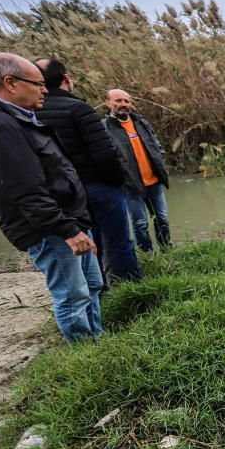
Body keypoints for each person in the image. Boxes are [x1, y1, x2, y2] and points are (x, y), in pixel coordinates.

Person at [0, 52, 103, 341]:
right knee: (73, 295)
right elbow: (24, 189)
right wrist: (67, 230)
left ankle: (98, 342)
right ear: (10, 83)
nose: (45, 89)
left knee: (92, 285)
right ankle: (86, 357)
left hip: (67, 220)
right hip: (50, 228)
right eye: (38, 83)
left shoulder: (18, 118)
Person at [35, 58, 141, 282]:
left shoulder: (29, 114)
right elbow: (105, 154)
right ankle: (134, 292)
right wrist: (117, 182)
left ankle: (99, 292)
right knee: (120, 242)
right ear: (66, 78)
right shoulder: (78, 108)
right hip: (98, 187)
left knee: (90, 245)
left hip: (62, 194)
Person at [103, 89, 171, 251]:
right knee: (140, 224)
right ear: (108, 103)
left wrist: (161, 161)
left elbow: (157, 146)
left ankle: (167, 250)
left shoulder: (141, 122)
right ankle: (148, 254)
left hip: (154, 181)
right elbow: (108, 157)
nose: (123, 104)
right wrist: (121, 177)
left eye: (127, 101)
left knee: (162, 219)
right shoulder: (105, 128)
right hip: (131, 186)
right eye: (118, 101)